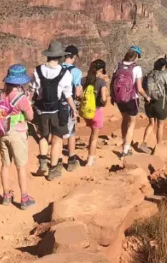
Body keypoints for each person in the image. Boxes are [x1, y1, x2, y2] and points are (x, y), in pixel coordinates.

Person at [32, 41, 75, 181]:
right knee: (57, 139)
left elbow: (32, 90)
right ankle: (53, 170)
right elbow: (68, 95)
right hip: (57, 111)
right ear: (60, 57)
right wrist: (74, 109)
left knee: (43, 136)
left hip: (41, 110)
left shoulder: (37, 70)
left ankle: (43, 162)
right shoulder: (65, 73)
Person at [0, 65, 36, 209]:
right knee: (21, 167)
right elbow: (30, 117)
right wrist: (28, 105)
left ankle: (6, 196)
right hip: (17, 134)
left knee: (5, 165)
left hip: (2, 133)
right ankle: (24, 198)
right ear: (20, 81)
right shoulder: (21, 98)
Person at [111, 46, 150, 157]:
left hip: (119, 99)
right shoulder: (136, 68)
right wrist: (146, 97)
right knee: (131, 124)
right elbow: (139, 88)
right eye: (138, 57)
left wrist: (113, 97)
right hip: (132, 99)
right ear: (136, 56)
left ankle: (124, 144)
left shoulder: (118, 66)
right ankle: (125, 150)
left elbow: (113, 82)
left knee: (124, 120)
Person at [139, 57, 167, 155]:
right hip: (160, 102)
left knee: (151, 123)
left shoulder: (148, 74)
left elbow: (143, 87)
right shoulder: (164, 75)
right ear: (163, 67)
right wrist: (163, 94)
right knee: (160, 125)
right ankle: (158, 146)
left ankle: (144, 143)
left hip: (148, 102)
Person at [81, 59, 110, 167]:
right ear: (101, 70)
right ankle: (90, 159)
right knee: (94, 137)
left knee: (91, 131)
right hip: (96, 111)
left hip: (85, 112)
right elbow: (103, 98)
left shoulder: (83, 80)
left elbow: (78, 94)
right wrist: (104, 101)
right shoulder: (101, 82)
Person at [60, 45, 84, 171]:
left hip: (55, 105)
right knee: (71, 133)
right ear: (73, 57)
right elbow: (78, 92)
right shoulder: (76, 72)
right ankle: (71, 161)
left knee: (57, 133)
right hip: (69, 105)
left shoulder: (57, 68)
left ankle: (57, 160)